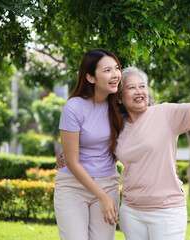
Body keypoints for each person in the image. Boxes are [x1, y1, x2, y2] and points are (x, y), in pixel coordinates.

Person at [57, 66, 190, 240]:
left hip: (166, 210)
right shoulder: (118, 126)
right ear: (119, 97)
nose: (139, 91)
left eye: (142, 86)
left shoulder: (166, 114)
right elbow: (100, 151)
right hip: (131, 211)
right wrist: (67, 155)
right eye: (131, 87)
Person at [54, 48, 123, 240]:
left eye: (116, 68)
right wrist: (102, 196)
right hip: (72, 186)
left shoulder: (119, 106)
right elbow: (73, 162)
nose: (115, 74)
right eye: (107, 70)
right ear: (90, 78)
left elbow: (139, 137)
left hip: (108, 182)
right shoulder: (74, 107)